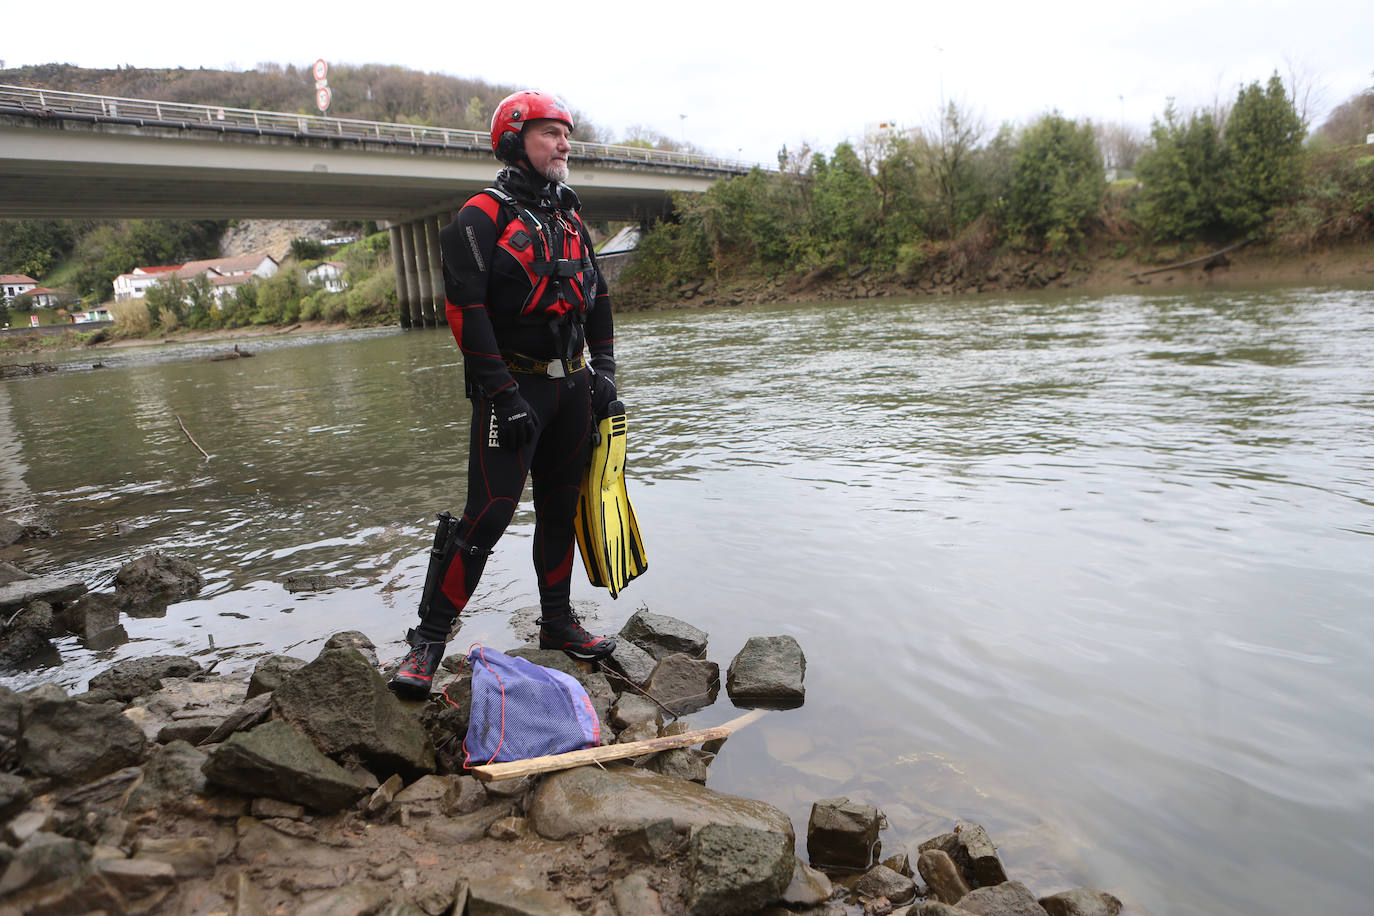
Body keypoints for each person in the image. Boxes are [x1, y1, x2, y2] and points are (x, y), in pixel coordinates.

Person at [389, 89, 618, 699]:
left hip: (571, 387)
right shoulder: (479, 217)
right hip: (511, 390)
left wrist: (607, 371)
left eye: (566, 134)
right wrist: (502, 392)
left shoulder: (570, 216)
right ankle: (428, 643)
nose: (564, 144)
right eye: (550, 134)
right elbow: (465, 311)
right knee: (486, 515)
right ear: (516, 140)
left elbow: (596, 297)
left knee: (562, 506)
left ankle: (558, 623)